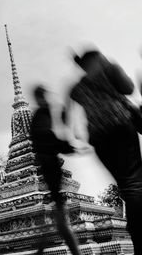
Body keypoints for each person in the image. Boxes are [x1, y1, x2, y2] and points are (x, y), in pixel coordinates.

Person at [67, 49, 142, 255]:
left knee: (128, 187)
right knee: (135, 184)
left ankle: (136, 233)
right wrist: (110, 66)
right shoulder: (108, 69)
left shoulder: (77, 87)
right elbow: (128, 88)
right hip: (120, 126)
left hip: (99, 138)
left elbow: (69, 118)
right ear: (98, 58)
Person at [30, 85, 81, 255]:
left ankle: (42, 248)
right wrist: (66, 146)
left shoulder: (44, 113)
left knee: (58, 215)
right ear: (40, 97)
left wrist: (66, 146)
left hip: (49, 165)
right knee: (59, 216)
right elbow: (46, 138)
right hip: (49, 165)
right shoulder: (42, 114)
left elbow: (49, 136)